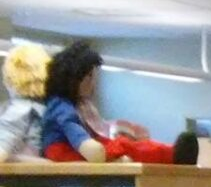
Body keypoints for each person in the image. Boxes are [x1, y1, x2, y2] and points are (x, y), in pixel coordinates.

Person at [39, 40, 196, 164]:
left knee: (123, 144)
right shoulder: (61, 106)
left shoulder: (75, 105)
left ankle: (170, 153)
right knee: (122, 146)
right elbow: (72, 129)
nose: (92, 84)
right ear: (74, 78)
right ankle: (171, 155)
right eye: (89, 77)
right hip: (64, 151)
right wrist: (88, 145)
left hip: (71, 148)